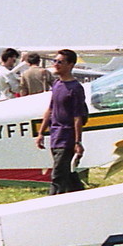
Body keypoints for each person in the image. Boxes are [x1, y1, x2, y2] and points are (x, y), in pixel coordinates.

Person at [35, 49, 89, 195]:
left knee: (58, 175)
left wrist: (77, 142)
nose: (56, 65)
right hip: (55, 136)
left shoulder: (75, 88)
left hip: (67, 138)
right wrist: (41, 133)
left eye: (60, 62)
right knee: (67, 174)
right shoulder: (57, 84)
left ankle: (52, 202)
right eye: (55, 61)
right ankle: (80, 196)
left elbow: (78, 117)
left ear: (70, 65)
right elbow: (50, 109)